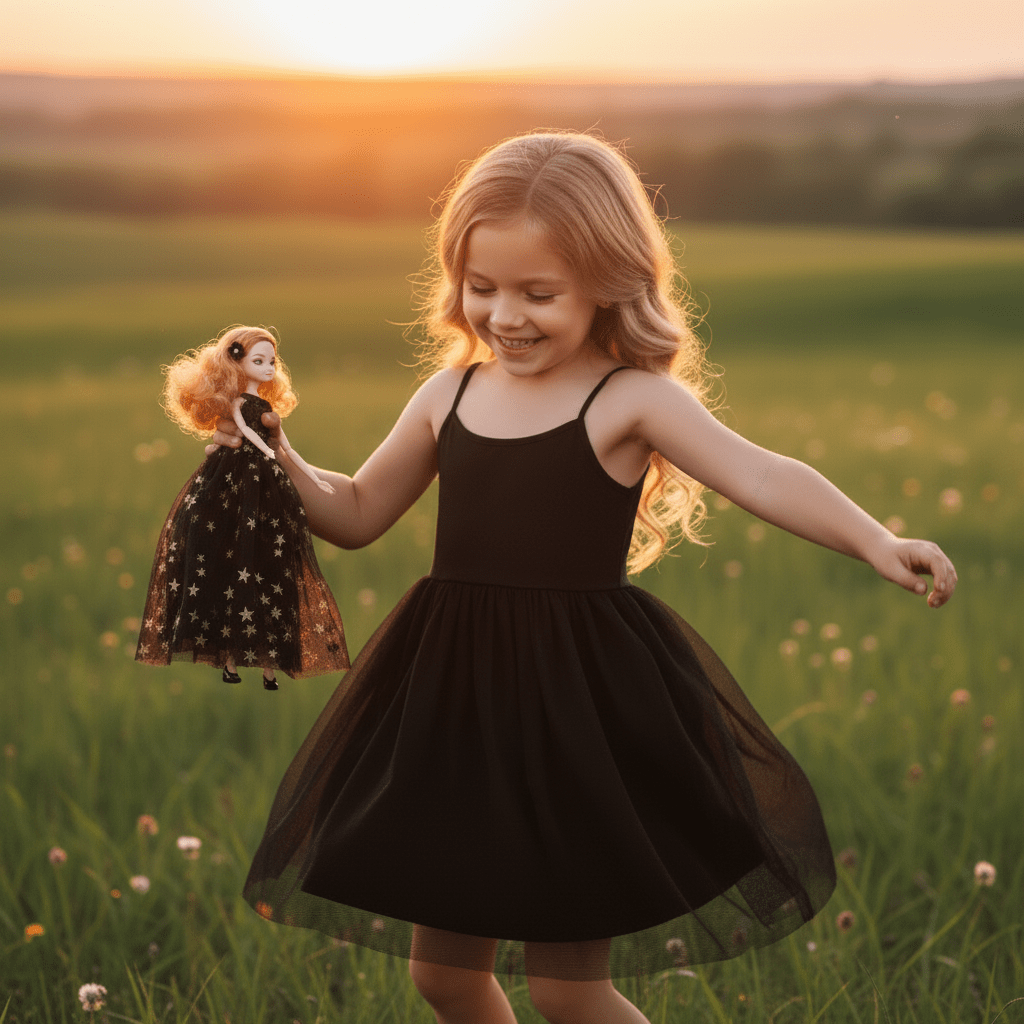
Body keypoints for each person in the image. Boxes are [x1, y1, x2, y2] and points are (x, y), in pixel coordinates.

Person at [220, 134, 956, 1023]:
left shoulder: (628, 400)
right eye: (481, 288)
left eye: (539, 293)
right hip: (454, 703)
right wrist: (276, 454)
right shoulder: (447, 395)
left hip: (579, 713)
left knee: (571, 994)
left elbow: (762, 473)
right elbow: (356, 511)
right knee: (444, 977)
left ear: (609, 282)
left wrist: (876, 540)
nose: (505, 315)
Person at [136, 325, 348, 690]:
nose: (268, 367)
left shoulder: (266, 409)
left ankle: (263, 667)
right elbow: (247, 434)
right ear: (237, 362)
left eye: (272, 361)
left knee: (268, 568)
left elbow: (287, 449)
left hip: (266, 484)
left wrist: (313, 477)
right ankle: (230, 661)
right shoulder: (239, 405)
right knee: (228, 564)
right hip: (234, 479)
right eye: (259, 360)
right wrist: (265, 451)